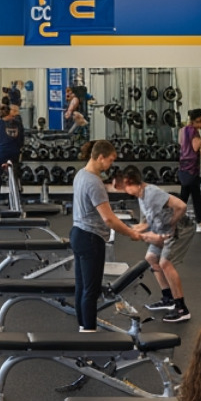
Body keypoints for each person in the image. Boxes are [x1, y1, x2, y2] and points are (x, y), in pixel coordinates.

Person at [71, 141, 142, 332]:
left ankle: (82, 328)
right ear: (101, 157)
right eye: (110, 160)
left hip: (78, 234)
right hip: (91, 239)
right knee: (90, 291)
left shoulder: (81, 175)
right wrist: (131, 233)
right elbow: (109, 219)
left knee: (82, 288)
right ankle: (89, 334)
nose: (111, 164)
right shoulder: (94, 182)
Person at [113, 167, 194, 323]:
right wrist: (128, 230)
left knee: (165, 262)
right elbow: (145, 223)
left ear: (131, 183)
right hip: (161, 229)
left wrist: (172, 223)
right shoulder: (140, 196)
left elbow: (181, 206)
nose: (124, 190)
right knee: (151, 258)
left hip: (181, 228)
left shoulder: (151, 193)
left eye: (124, 186)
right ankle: (168, 299)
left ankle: (182, 309)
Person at [0, 100, 24, 207]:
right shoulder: (18, 124)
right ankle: (18, 193)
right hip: (15, 153)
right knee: (15, 171)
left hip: (1, 153)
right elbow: (21, 141)